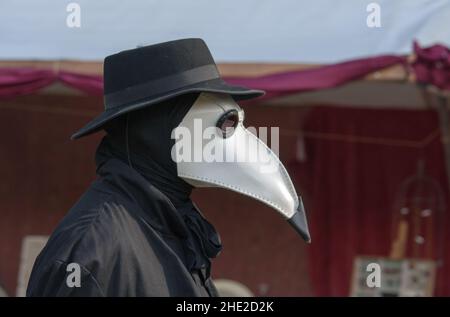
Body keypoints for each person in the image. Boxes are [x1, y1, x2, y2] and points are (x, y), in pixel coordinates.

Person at [27, 38, 310, 297]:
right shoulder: (92, 251)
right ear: (156, 128)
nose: (234, 136)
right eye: (224, 123)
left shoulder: (175, 230)